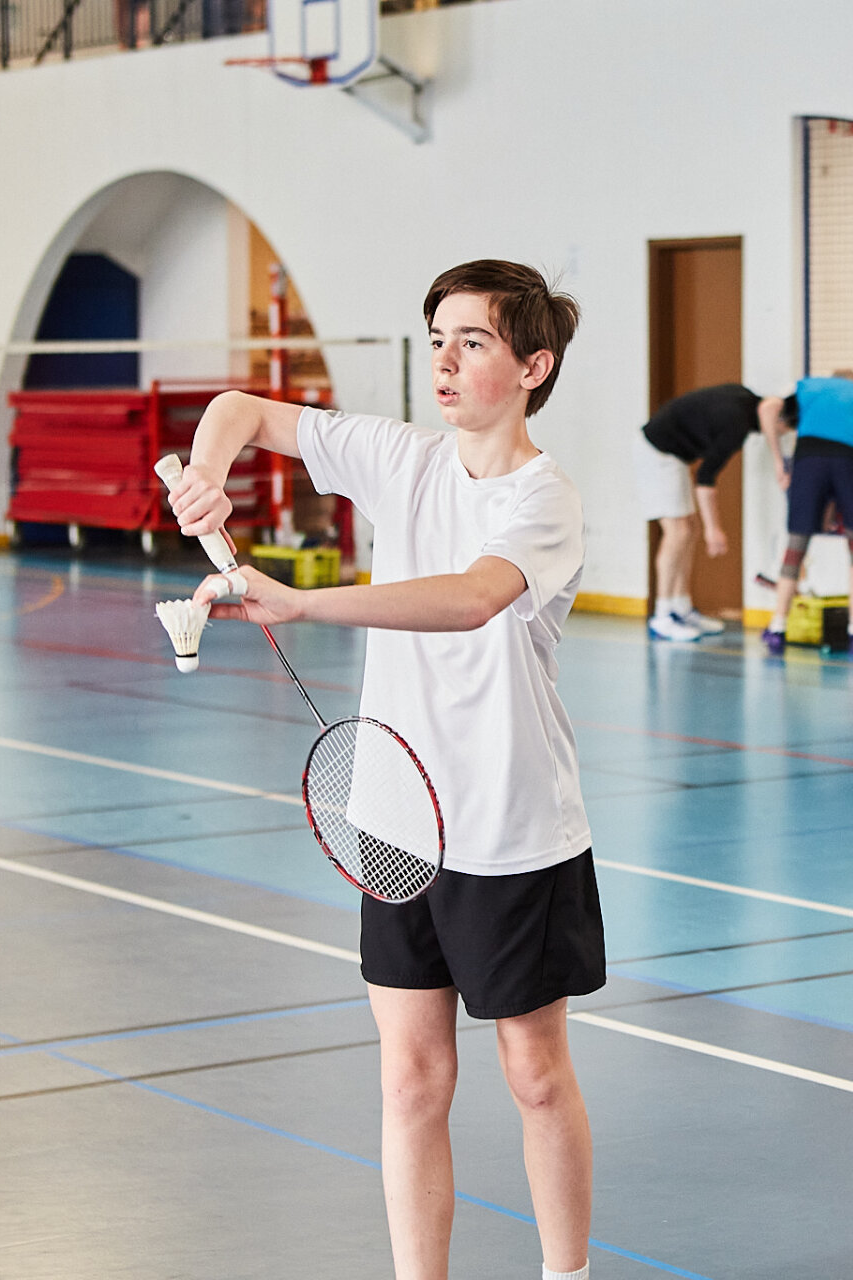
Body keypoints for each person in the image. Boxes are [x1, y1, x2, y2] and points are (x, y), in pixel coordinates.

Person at [167, 260, 603, 1280]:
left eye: (473, 342)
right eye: (437, 340)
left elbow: (470, 597)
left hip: (510, 825)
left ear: (533, 367)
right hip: (395, 817)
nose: (444, 363)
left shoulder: (544, 499)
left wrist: (304, 603)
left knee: (535, 1075)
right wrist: (207, 471)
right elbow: (241, 408)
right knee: (410, 1079)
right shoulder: (399, 455)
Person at [635, 382, 771, 641]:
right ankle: (662, 615)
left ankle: (681, 607)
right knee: (677, 532)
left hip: (674, 456)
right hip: (657, 452)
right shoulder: (737, 426)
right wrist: (714, 530)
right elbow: (705, 477)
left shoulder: (745, 399)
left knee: (688, 530)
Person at [759, 369, 853, 656]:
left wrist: (778, 460)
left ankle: (777, 628)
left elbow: (767, 407)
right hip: (852, 460)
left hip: (809, 458)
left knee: (796, 545)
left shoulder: (806, 387)